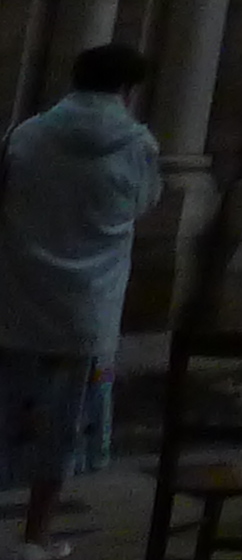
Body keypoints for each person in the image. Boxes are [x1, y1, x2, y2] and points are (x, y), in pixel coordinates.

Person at [0, 46, 160, 560]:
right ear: (128, 90)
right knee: (64, 427)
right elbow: (144, 202)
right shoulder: (137, 145)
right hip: (87, 308)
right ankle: (35, 535)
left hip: (19, 298)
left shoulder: (26, 134)